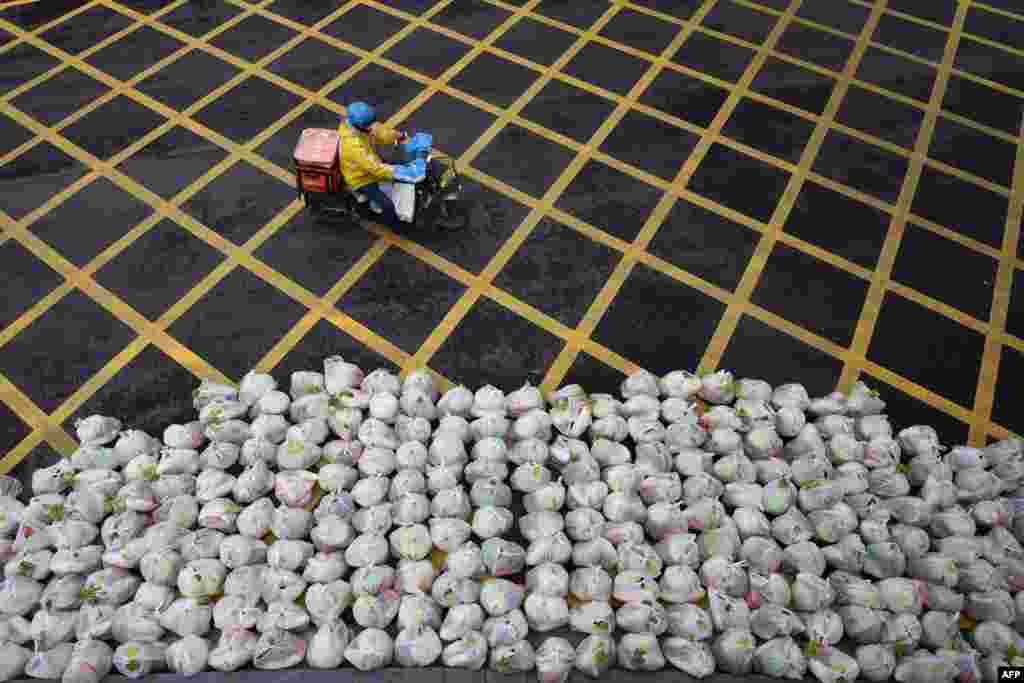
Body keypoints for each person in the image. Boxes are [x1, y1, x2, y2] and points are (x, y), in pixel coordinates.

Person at [338, 101, 423, 228]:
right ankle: (394, 225)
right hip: (361, 178)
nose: (371, 128)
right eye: (368, 126)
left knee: (396, 169)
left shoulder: (363, 126)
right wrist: (400, 172)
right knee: (387, 205)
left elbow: (381, 132)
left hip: (369, 165)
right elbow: (374, 167)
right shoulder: (351, 145)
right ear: (357, 125)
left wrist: (399, 137)